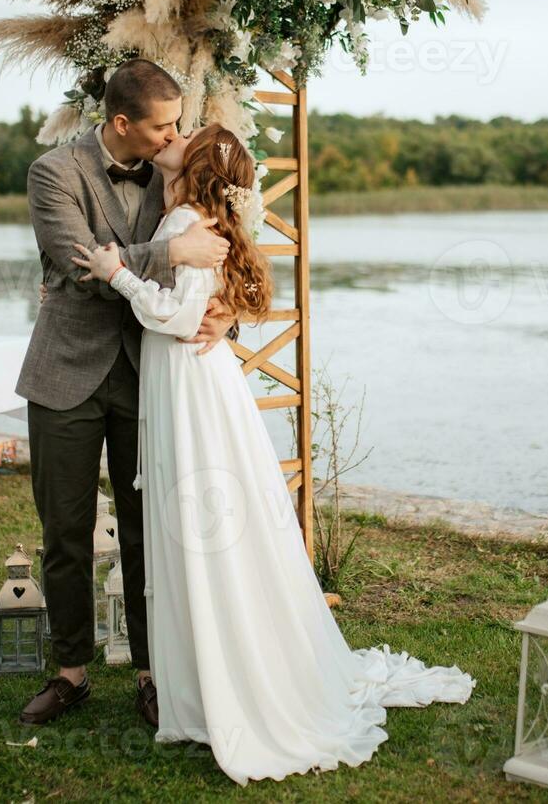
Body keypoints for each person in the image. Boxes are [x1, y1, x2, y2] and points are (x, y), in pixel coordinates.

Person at [72, 123, 475, 786]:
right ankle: (205, 678)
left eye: (185, 133)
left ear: (192, 163)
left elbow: (173, 320)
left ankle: (216, 688)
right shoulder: (193, 214)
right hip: (195, 383)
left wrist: (118, 273)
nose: (174, 134)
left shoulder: (182, 218)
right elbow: (206, 304)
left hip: (190, 386)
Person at [16, 59, 238, 729]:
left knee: (151, 531)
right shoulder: (54, 173)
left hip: (153, 376)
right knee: (65, 529)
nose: (178, 134)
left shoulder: (179, 178)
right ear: (121, 124)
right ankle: (71, 672)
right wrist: (172, 256)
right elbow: (77, 265)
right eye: (165, 124)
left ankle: (153, 669)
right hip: (66, 375)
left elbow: (228, 254)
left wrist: (225, 304)